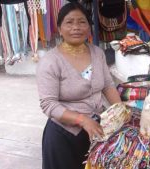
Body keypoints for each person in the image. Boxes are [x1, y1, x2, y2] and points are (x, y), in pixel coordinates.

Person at [36, 2, 121, 169]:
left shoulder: (97, 53)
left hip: (96, 130)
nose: (76, 27)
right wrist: (82, 120)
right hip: (64, 136)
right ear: (59, 28)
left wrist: (120, 112)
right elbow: (49, 105)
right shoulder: (50, 61)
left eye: (82, 22)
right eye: (69, 22)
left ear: (89, 27)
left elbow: (108, 86)